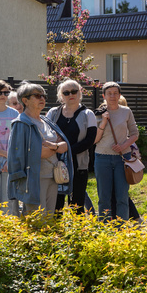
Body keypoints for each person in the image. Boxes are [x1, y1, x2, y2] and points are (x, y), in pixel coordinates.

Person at [7, 82, 72, 215]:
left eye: (43, 96)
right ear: (25, 100)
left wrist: (52, 146)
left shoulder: (46, 121)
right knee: (35, 218)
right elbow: (38, 153)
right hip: (35, 179)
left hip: (53, 176)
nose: (42, 98)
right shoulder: (22, 123)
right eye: (37, 96)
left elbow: (65, 145)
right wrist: (55, 147)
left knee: (48, 217)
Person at [46, 79, 97, 214]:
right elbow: (44, 135)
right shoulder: (53, 113)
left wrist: (67, 149)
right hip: (55, 164)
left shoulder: (88, 114)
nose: (70, 95)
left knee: (77, 204)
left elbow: (89, 141)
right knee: (55, 203)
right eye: (66, 92)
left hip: (78, 165)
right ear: (61, 96)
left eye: (74, 91)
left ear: (80, 92)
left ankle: (77, 233)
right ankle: (56, 232)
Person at [93, 82, 139, 220]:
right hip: (102, 157)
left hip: (122, 158)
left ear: (119, 95)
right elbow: (94, 140)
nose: (112, 96)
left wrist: (124, 145)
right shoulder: (98, 113)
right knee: (104, 197)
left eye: (115, 93)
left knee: (122, 196)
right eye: (109, 93)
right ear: (104, 96)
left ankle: (121, 230)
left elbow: (135, 134)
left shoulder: (126, 111)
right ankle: (105, 230)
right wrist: (103, 122)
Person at [0, 80, 20, 215]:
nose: (3, 95)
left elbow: (18, 140)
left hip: (10, 163)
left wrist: (9, 159)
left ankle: (10, 231)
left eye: (6, 92)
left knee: (9, 200)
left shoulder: (14, 114)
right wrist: (7, 155)